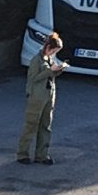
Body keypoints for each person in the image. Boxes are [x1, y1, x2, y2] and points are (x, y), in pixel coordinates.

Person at [19, 33, 66, 165]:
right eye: (54, 51)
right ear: (48, 47)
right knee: (31, 125)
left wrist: (58, 69)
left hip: (48, 95)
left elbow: (50, 75)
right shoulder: (36, 60)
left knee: (46, 126)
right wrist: (50, 70)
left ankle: (42, 155)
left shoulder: (49, 59)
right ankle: (22, 154)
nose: (54, 54)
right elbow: (34, 78)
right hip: (36, 96)